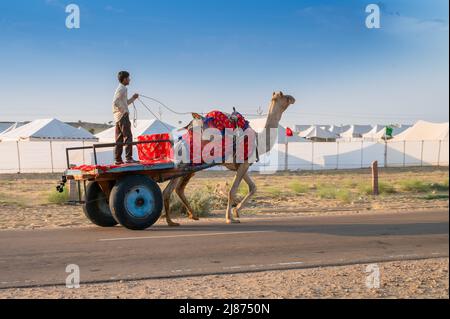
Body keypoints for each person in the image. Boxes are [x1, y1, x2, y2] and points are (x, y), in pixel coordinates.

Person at [112, 71, 139, 165]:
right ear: (124, 79)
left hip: (117, 117)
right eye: (128, 78)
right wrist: (124, 112)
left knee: (119, 139)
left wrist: (133, 98)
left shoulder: (121, 88)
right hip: (122, 116)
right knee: (128, 136)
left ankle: (118, 159)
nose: (129, 79)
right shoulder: (122, 88)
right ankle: (128, 158)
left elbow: (125, 103)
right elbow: (116, 102)